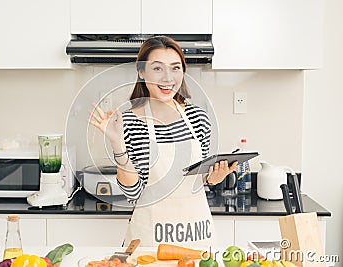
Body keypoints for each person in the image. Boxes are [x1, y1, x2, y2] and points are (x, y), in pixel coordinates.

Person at [88, 36, 237, 247]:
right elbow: (133, 192)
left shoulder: (198, 118)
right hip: (149, 240)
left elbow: (197, 179)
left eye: (175, 68)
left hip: (196, 236)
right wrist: (117, 144)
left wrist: (213, 178)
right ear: (141, 72)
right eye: (157, 68)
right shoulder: (128, 122)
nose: (168, 78)